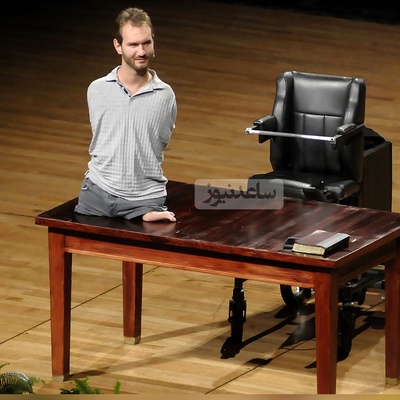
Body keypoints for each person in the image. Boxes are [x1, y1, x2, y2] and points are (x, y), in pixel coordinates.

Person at [74, 7, 177, 222]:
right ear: (118, 46)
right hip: (96, 193)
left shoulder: (165, 95)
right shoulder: (97, 89)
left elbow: (159, 143)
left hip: (145, 199)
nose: (141, 52)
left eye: (146, 43)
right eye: (133, 45)